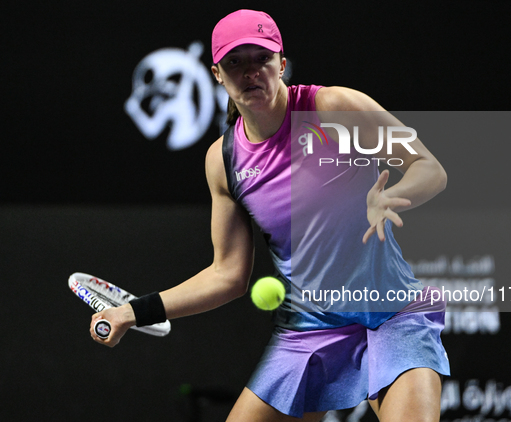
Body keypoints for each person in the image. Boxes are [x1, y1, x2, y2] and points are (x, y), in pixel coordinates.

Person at [90, 9, 450, 422]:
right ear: (217, 74)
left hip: (393, 314)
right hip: (313, 326)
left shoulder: (333, 108)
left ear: (281, 63)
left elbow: (429, 168)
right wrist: (134, 311)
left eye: (261, 58)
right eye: (235, 62)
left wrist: (393, 196)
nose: (250, 72)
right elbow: (227, 275)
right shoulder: (222, 161)